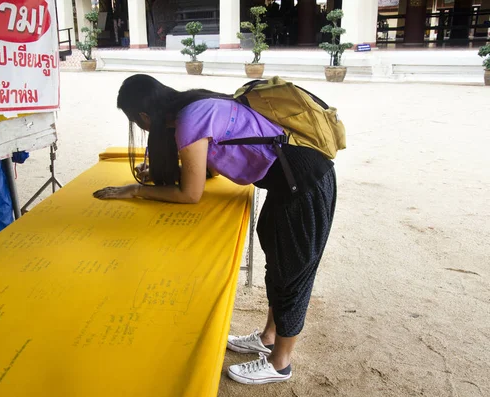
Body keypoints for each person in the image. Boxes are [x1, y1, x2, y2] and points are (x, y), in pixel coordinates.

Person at [94, 74, 337, 385]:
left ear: (144, 116)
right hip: (288, 183)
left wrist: (135, 190)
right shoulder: (194, 104)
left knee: (293, 273)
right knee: (278, 265)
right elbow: (207, 170)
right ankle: (268, 338)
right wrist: (162, 171)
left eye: (137, 123)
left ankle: (280, 363)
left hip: (305, 184)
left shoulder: (188, 120)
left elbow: (189, 194)